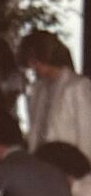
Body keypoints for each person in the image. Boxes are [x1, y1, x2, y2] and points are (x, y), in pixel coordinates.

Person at [18, 30, 91, 161]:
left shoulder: (77, 86)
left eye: (34, 60)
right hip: (42, 166)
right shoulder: (38, 89)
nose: (31, 65)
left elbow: (87, 134)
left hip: (70, 167)